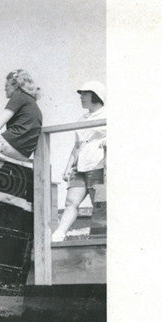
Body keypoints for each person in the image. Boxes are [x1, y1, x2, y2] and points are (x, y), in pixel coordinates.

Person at [52, 81, 107, 243]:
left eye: (84, 94)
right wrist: (68, 167)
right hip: (80, 167)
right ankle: (59, 234)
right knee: (71, 202)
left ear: (95, 95)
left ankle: (100, 241)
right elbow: (77, 146)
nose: (81, 97)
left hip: (98, 165)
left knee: (100, 205)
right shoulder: (81, 118)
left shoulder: (109, 114)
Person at [0, 69, 43, 160]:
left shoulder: (19, 97)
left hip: (9, 145)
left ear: (16, 85)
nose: (4, 88)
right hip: (23, 154)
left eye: (6, 85)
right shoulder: (31, 102)